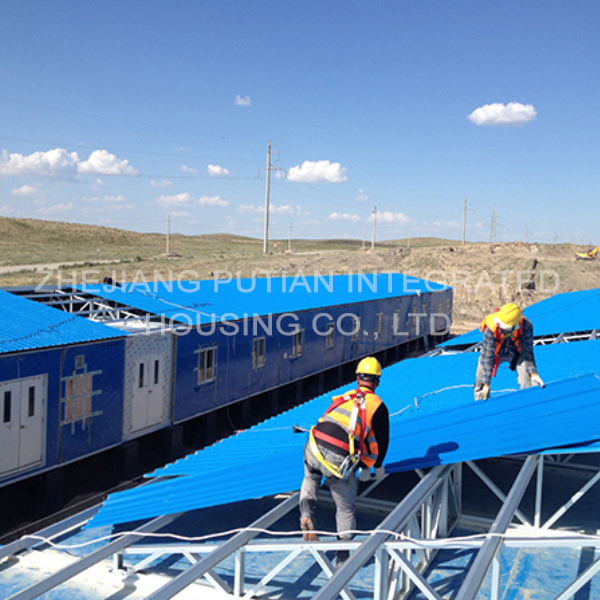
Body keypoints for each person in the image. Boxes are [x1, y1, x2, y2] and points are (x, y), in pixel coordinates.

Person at [299, 356, 390, 568]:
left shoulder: (343, 397)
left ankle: (306, 514)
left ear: (357, 378)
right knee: (345, 507)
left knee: (311, 477)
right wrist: (375, 467)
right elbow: (382, 441)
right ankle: (342, 556)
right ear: (377, 381)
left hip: (313, 444)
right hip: (337, 457)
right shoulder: (377, 406)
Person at [474, 303, 545, 401]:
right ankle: (480, 399)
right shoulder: (491, 328)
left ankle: (528, 398)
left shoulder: (526, 325)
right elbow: (487, 356)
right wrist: (486, 384)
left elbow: (528, 351)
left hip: (515, 353)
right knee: (481, 375)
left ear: (514, 326)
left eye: (504, 328)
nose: (500, 330)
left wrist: (534, 373)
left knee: (527, 376)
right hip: (495, 353)